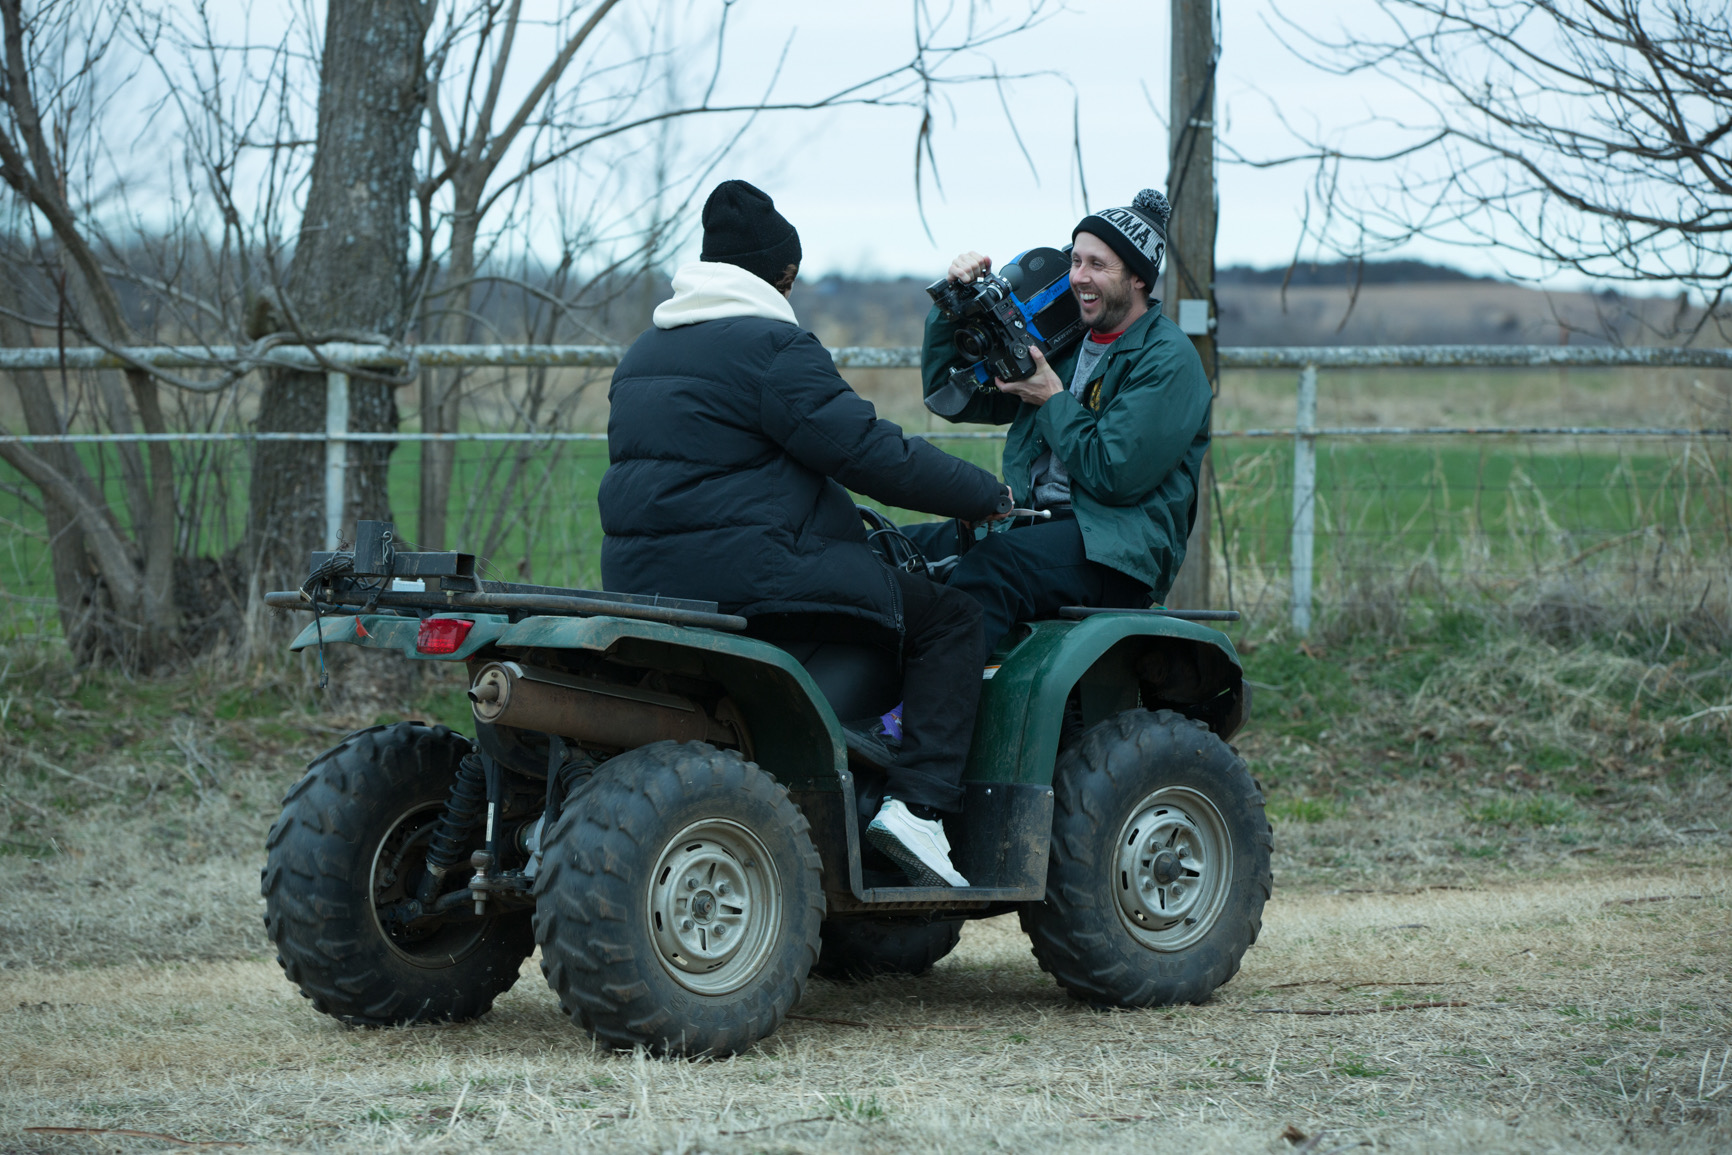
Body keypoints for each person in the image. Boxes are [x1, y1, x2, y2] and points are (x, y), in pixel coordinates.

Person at [598, 179, 1006, 888]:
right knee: (951, 619)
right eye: (792, 276)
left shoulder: (642, 355)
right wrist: (985, 494)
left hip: (644, 579)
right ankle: (920, 809)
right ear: (781, 273)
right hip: (754, 573)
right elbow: (867, 452)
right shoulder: (771, 347)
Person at [914, 188, 1212, 664]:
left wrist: (1052, 399)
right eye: (1075, 260)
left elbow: (1115, 474)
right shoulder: (1064, 342)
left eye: (1098, 264)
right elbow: (951, 397)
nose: (1078, 277)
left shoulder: (1167, 359)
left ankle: (934, 709)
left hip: (1115, 549)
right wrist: (950, 307)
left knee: (993, 568)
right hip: (1035, 523)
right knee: (902, 548)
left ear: (1138, 277)